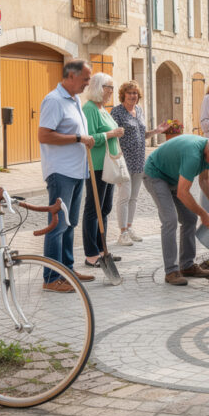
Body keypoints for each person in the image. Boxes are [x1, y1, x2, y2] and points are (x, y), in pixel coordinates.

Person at [36, 59, 96, 292]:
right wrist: (78, 139)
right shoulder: (53, 100)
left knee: (70, 225)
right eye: (85, 79)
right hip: (60, 172)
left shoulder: (74, 100)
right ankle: (51, 278)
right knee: (57, 225)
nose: (87, 84)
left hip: (77, 170)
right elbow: (44, 135)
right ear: (71, 76)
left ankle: (67, 270)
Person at [143, 134, 209, 286]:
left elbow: (204, 179)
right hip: (155, 175)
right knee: (170, 220)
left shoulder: (206, 151)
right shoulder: (193, 155)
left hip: (173, 178)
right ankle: (171, 271)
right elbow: (182, 193)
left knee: (190, 218)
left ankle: (187, 266)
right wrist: (204, 214)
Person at [111, 80, 171, 246]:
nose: (133, 96)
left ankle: (129, 228)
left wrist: (156, 131)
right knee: (124, 196)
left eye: (135, 93)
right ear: (123, 94)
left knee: (134, 197)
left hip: (139, 159)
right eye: (129, 93)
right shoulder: (117, 112)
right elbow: (112, 135)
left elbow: (141, 134)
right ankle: (122, 233)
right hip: (123, 160)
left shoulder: (139, 110)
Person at [81, 72, 124, 269]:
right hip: (97, 165)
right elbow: (89, 137)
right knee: (93, 208)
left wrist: (116, 133)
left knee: (104, 209)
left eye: (112, 88)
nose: (111, 92)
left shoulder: (103, 109)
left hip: (108, 164)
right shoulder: (90, 109)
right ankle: (91, 254)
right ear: (99, 88)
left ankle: (102, 249)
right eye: (109, 88)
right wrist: (111, 133)